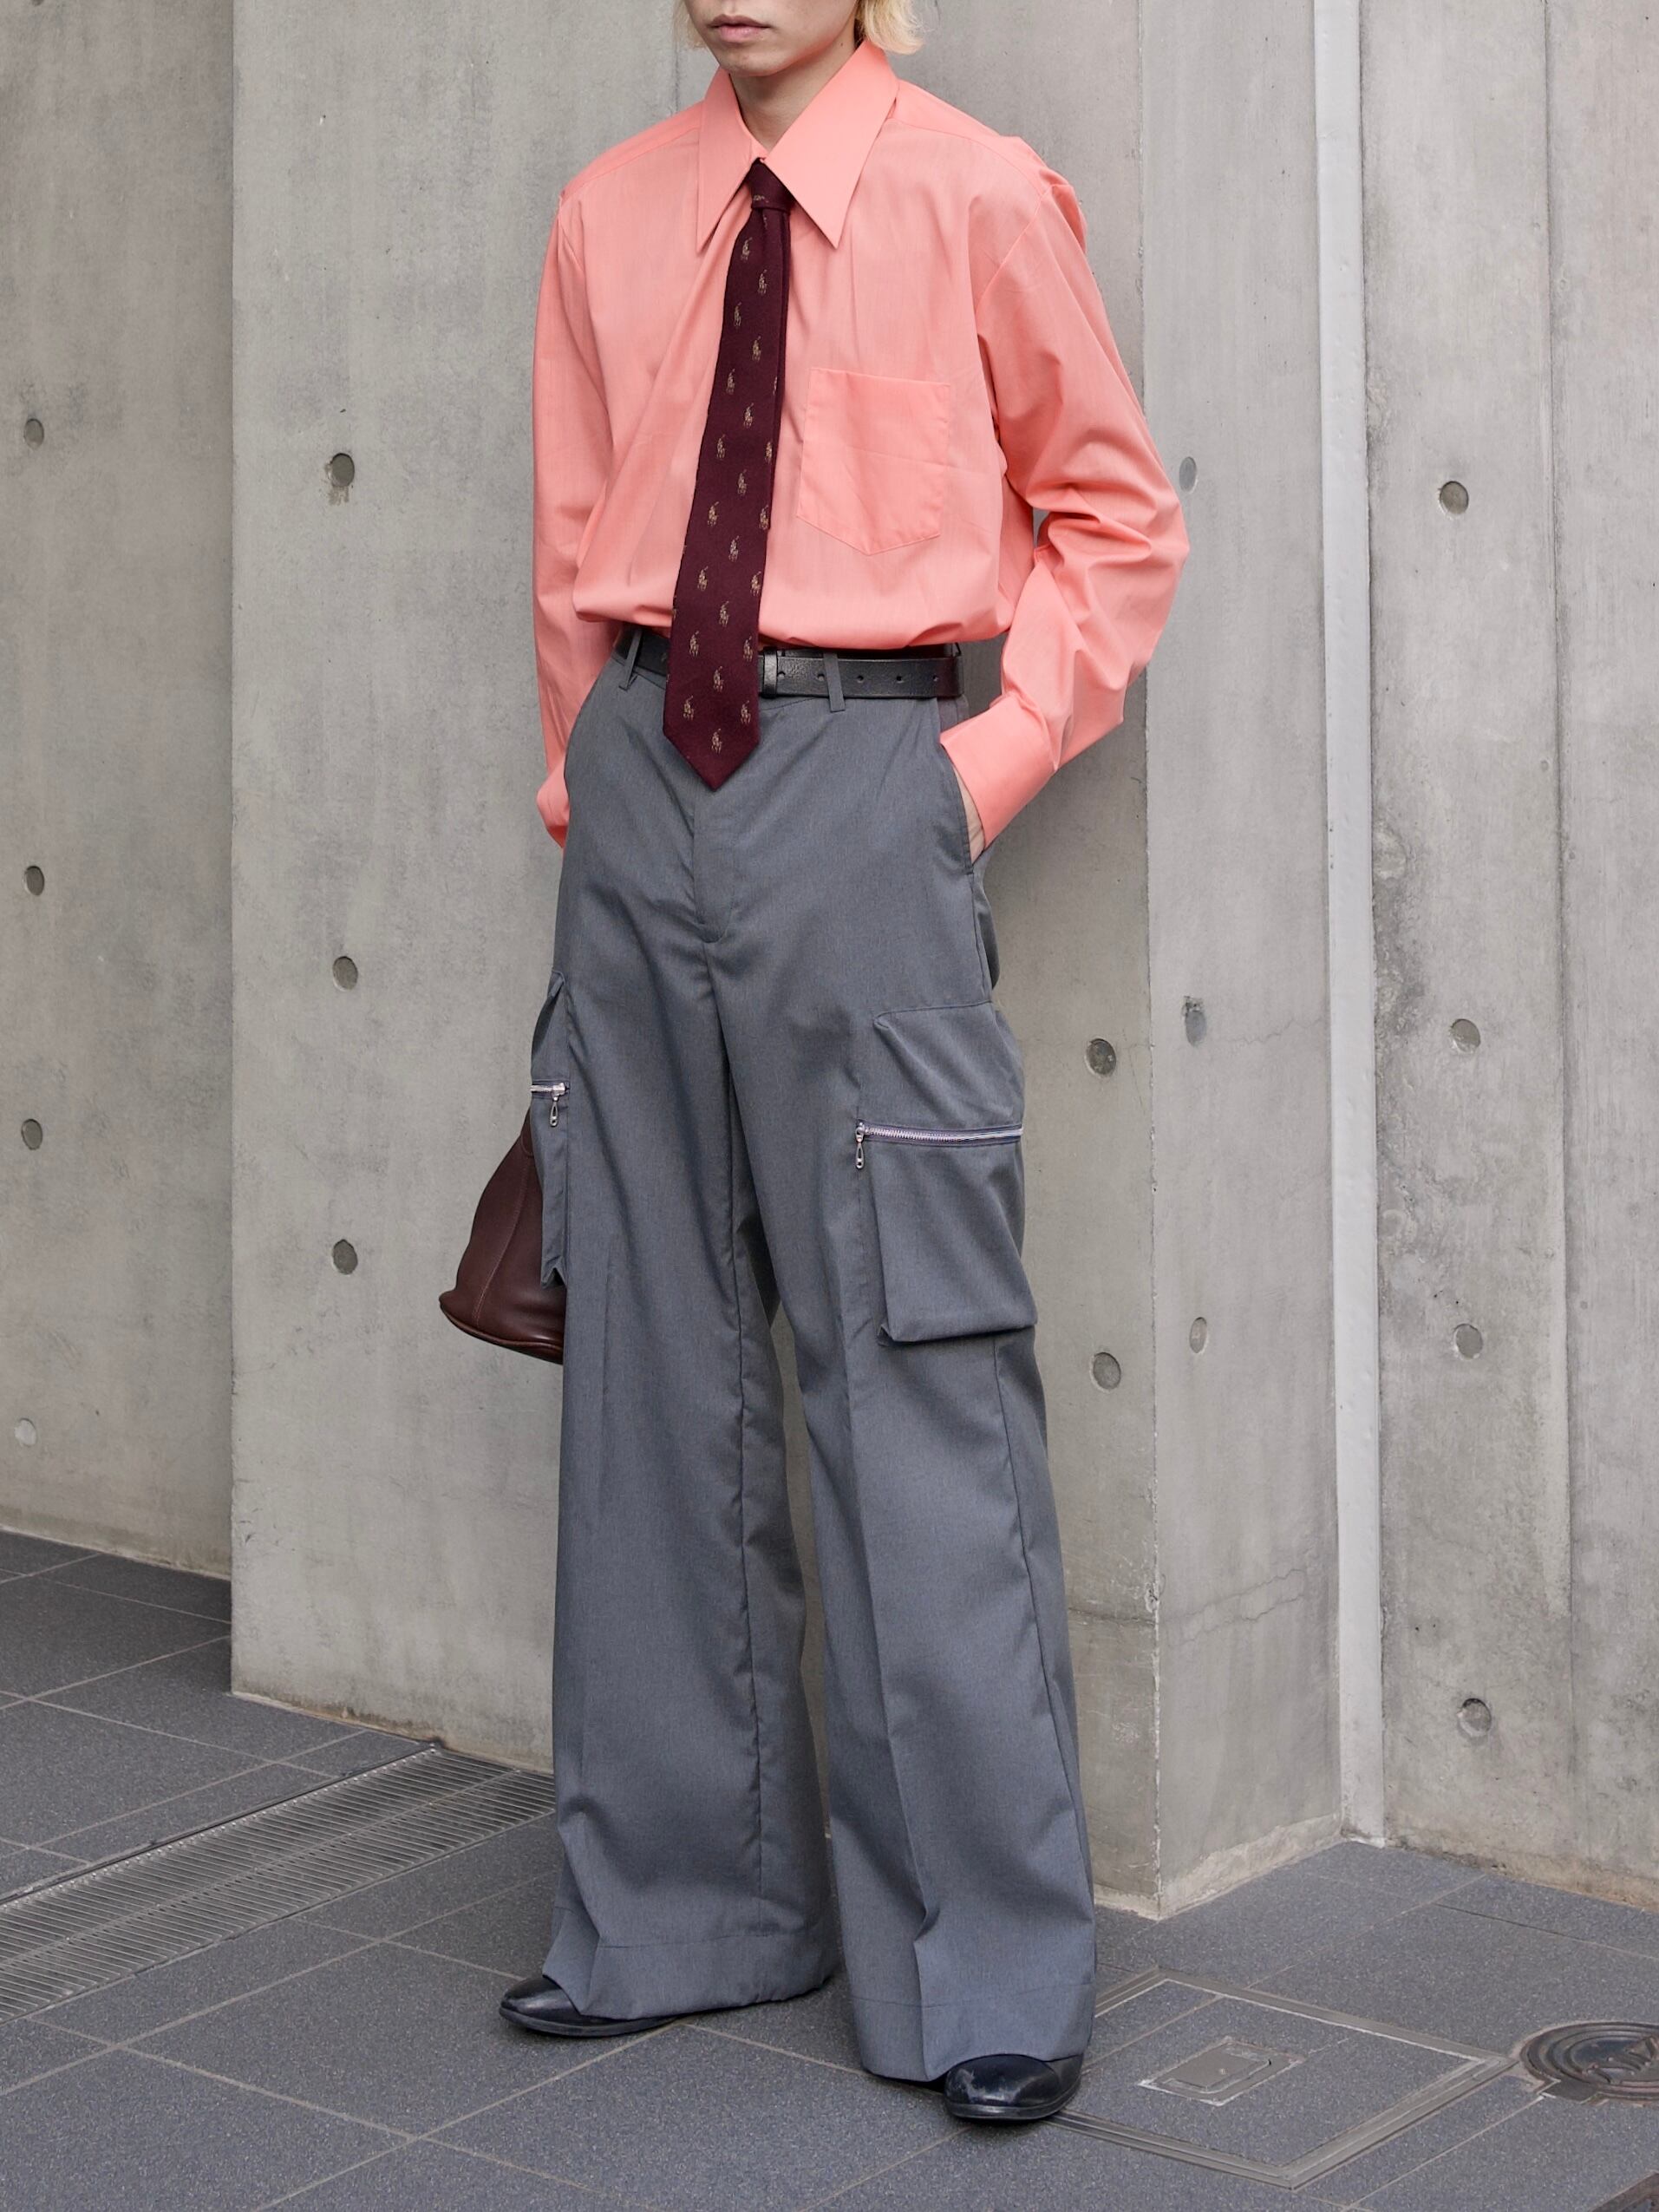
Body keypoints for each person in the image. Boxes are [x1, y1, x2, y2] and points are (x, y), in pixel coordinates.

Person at [499, 0, 1188, 2125]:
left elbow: (1114, 518)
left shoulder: (980, 194)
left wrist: (963, 780)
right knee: (649, 1364)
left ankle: (983, 1972)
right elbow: (574, 539)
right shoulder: (611, 214)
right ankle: (676, 1915)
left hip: (868, 779)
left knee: (913, 1363)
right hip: (643, 790)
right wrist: (592, 792)